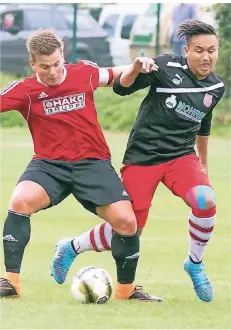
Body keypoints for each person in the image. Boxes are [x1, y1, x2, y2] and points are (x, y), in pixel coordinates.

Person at [51, 20, 225, 303]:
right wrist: (135, 68)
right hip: (143, 158)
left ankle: (194, 263)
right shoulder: (166, 67)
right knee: (129, 229)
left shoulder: (217, 85)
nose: (206, 57)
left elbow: (203, 124)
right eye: (199, 50)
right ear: (187, 50)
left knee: (205, 201)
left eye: (211, 50)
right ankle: (71, 246)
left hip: (181, 157)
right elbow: (121, 88)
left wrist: (203, 162)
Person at [0, 28, 162, 302]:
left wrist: (137, 65)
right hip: (48, 167)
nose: (51, 71)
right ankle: (11, 283)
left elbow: (114, 75)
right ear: (32, 64)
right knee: (20, 201)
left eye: (56, 64)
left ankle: (126, 291)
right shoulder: (25, 91)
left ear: (63, 56)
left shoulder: (83, 72)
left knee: (126, 221)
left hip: (92, 164)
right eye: (44, 67)